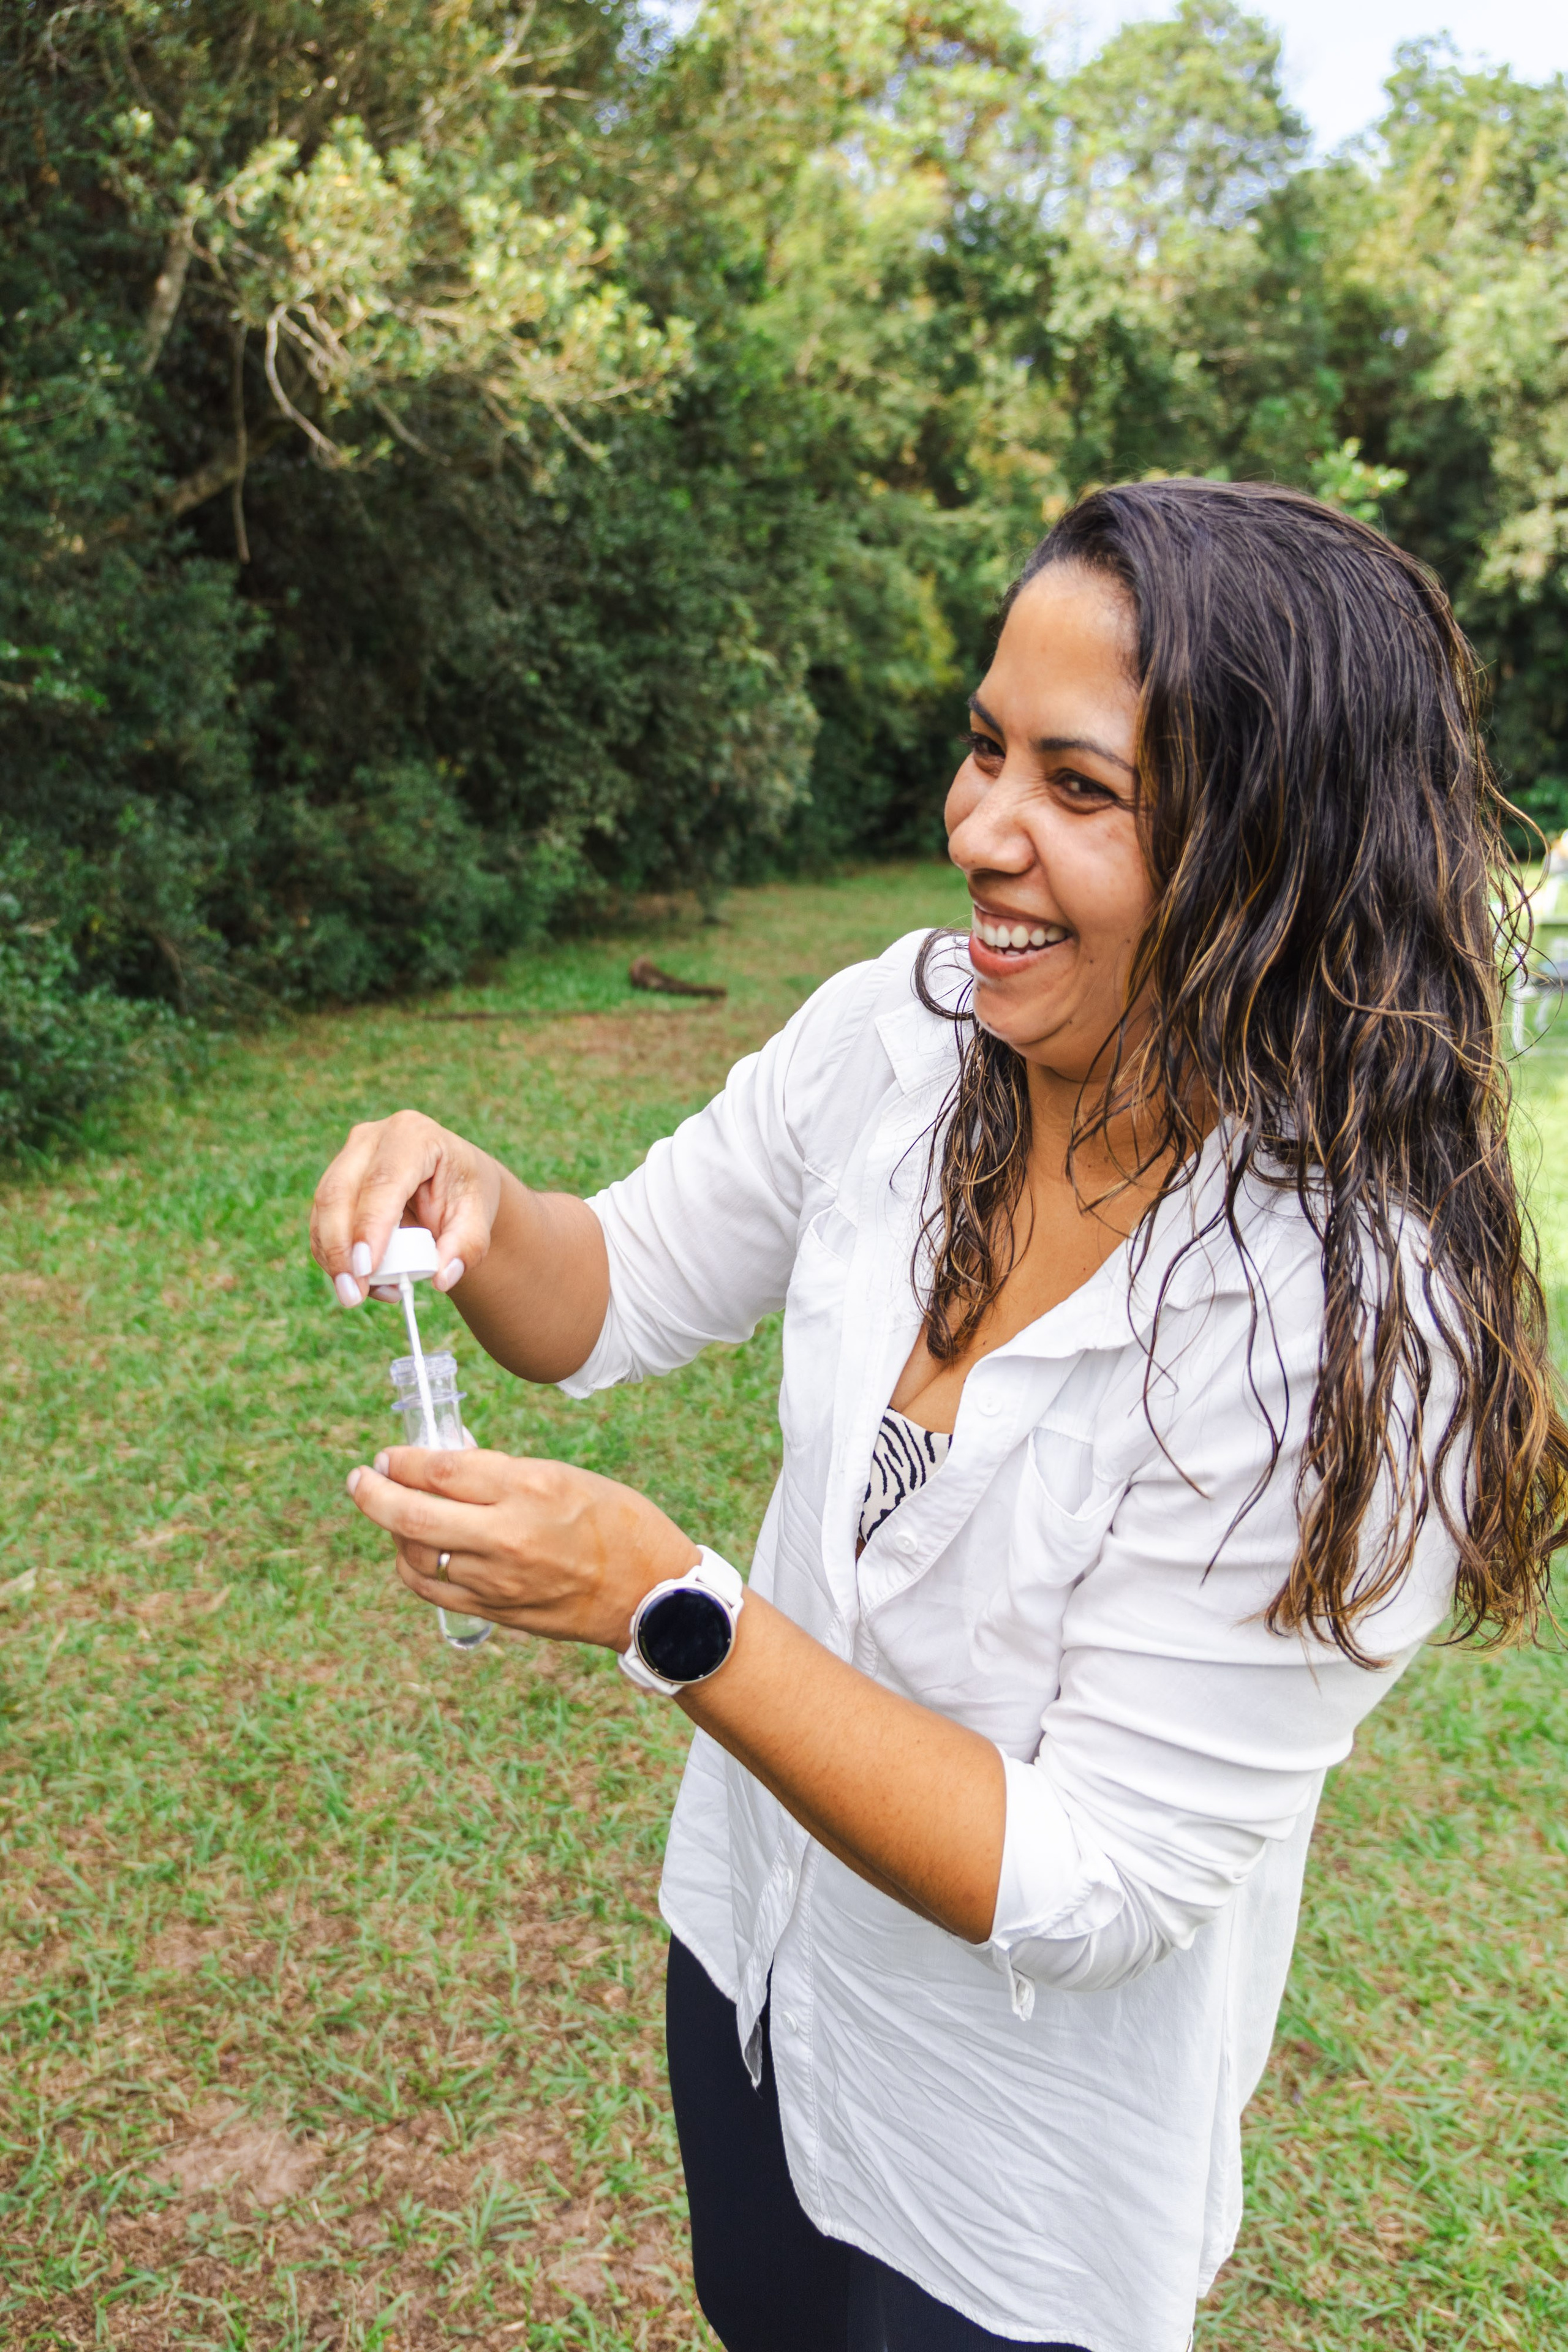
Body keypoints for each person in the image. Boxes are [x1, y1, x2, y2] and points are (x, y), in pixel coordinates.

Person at [310, 479, 1566, 2352]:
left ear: (1275, 849)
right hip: (754, 1970)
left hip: (1017, 2170)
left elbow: (1100, 1875)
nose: (978, 829)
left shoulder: (1354, 1328)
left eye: (1081, 789)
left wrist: (675, 1608)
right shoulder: (903, 1035)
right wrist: (483, 1208)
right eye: (986, 751)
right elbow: (614, 1286)